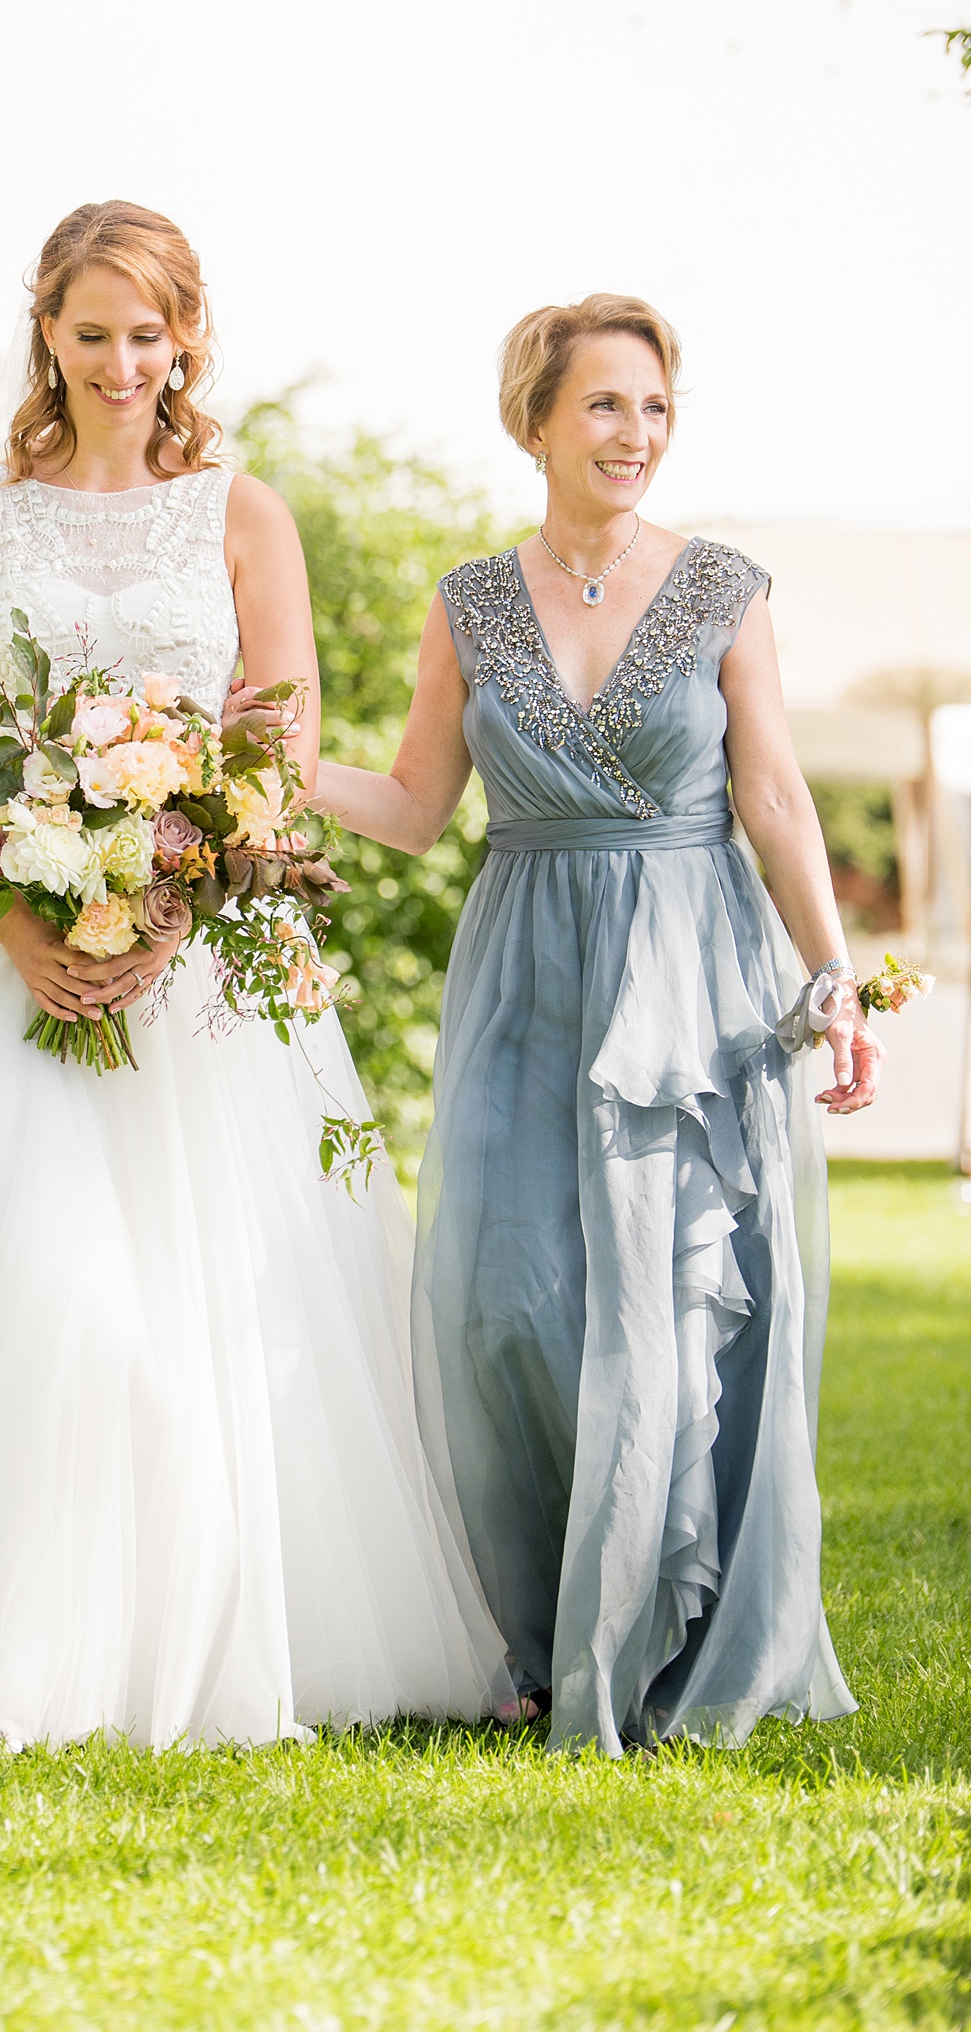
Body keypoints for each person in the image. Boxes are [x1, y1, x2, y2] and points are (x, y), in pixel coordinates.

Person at [0, 200, 514, 1754]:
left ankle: (242, 1630)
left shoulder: (242, 513)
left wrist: (170, 892)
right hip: (6, 954)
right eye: (92, 329)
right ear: (45, 328)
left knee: (227, 1296)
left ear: (188, 335)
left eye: (149, 331)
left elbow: (280, 738)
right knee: (24, 1280)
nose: (122, 361)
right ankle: (9, 1651)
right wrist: (11, 907)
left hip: (212, 964)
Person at [316, 293, 881, 1757]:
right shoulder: (468, 600)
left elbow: (772, 797)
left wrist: (836, 978)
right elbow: (416, 801)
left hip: (692, 977)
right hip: (522, 977)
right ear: (538, 420)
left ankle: (658, 1637)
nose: (634, 435)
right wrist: (267, 765)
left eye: (654, 409)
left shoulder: (722, 588)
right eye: (605, 406)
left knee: (668, 1319)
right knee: (508, 1303)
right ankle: (535, 1622)